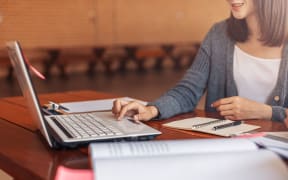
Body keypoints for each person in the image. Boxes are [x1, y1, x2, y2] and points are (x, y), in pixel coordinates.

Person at [112, 0, 288, 123]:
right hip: (225, 150)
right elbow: (188, 91)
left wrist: (266, 112)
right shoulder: (219, 35)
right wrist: (151, 109)